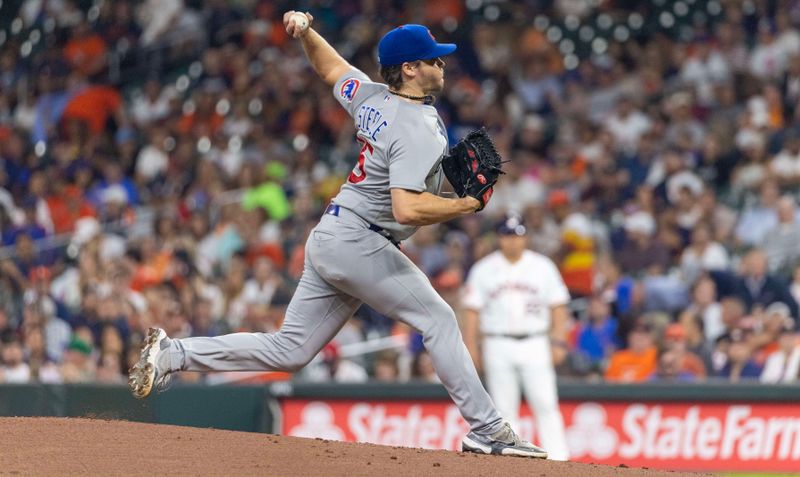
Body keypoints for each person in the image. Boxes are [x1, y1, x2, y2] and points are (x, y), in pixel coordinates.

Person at [129, 12, 546, 458]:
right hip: (359, 241)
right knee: (439, 320)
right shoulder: (417, 126)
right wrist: (463, 206)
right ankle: (487, 428)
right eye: (432, 60)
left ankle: (174, 353)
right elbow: (407, 207)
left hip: (334, 234)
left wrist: (307, 33)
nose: (441, 65)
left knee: (289, 350)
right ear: (409, 68)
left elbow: (331, 68)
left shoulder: (370, 97)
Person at [462, 214, 571, 460]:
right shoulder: (483, 269)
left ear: (526, 238)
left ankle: (560, 461)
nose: (512, 241)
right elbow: (471, 312)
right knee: (504, 410)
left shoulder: (543, 266)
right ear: (499, 238)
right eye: (507, 236)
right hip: (496, 343)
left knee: (545, 404)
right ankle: (513, 465)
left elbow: (559, 307)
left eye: (517, 236)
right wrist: (471, 347)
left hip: (535, 342)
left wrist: (558, 340)